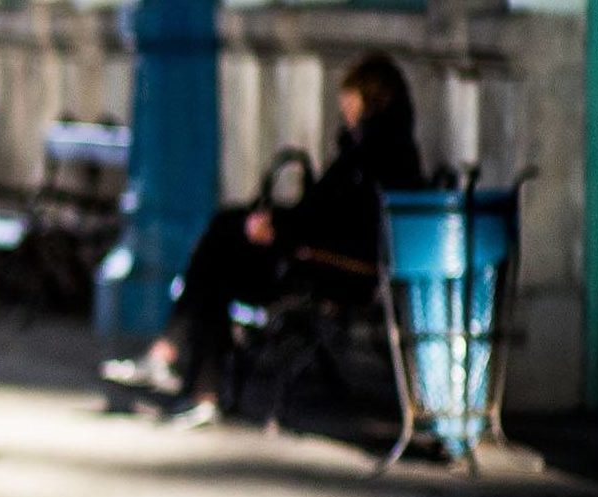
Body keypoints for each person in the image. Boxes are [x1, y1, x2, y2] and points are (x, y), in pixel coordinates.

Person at [102, 53, 427, 428]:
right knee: (223, 240)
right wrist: (278, 224)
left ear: (370, 98)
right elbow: (326, 214)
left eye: (350, 96)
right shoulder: (369, 150)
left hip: (329, 269)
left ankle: (184, 370)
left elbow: (345, 226)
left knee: (220, 252)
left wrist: (281, 230)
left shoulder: (378, 155)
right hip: (315, 256)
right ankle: (185, 373)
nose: (343, 106)